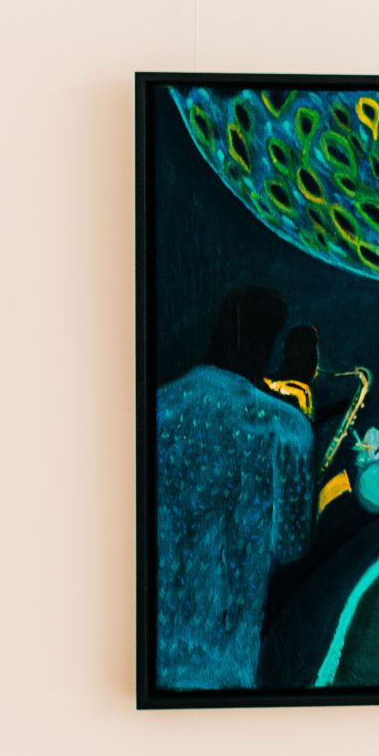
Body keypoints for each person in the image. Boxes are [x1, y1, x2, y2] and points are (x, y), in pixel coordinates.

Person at [155, 286, 313, 689]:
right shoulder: (285, 426)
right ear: (270, 344)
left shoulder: (156, 407)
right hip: (231, 661)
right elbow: (292, 544)